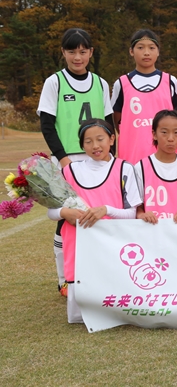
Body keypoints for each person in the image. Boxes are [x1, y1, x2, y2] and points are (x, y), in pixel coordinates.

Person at [37, 28, 114, 296]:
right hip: (68, 160)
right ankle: (64, 280)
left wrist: (110, 156)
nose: (77, 57)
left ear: (91, 52)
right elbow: (47, 125)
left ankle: (102, 275)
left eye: (83, 51)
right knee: (67, 220)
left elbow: (109, 123)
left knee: (100, 216)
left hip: (99, 159)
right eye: (72, 51)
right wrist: (64, 160)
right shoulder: (54, 82)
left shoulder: (101, 83)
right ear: (64, 53)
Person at [47, 119, 142, 323]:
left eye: (100, 139)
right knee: (80, 314)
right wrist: (65, 213)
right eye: (88, 141)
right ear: (82, 145)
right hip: (79, 244)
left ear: (112, 139)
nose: (95, 146)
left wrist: (106, 210)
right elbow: (51, 212)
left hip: (112, 244)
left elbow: (133, 213)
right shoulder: (70, 171)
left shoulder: (124, 168)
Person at [111, 29, 177, 164]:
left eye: (151, 48)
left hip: (165, 156)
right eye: (140, 47)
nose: (146, 52)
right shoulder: (121, 83)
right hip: (132, 156)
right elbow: (117, 119)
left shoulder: (170, 81)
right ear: (131, 51)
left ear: (158, 51)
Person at [134, 110, 177, 224]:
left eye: (176, 132)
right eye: (164, 132)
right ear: (154, 134)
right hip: (152, 231)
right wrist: (142, 215)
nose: (171, 138)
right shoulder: (141, 167)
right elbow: (137, 207)